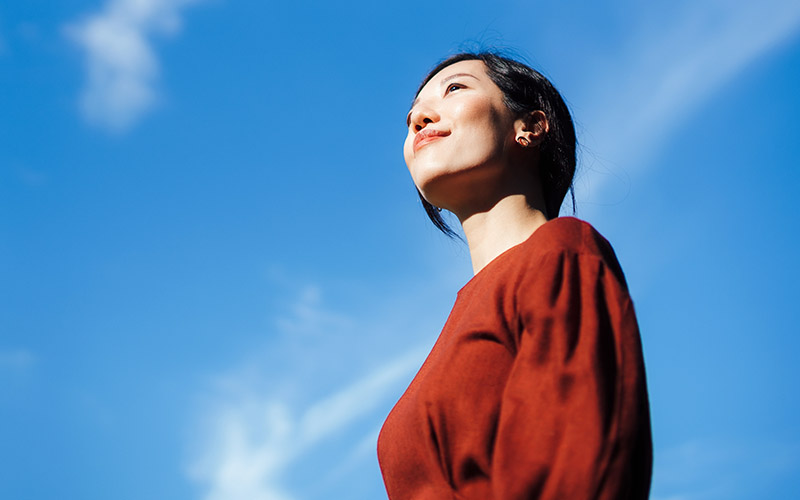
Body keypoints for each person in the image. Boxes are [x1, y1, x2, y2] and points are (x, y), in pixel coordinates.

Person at [377, 52, 653, 500]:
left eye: (455, 89)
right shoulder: (457, 324)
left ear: (531, 126)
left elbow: (578, 471)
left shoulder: (561, 254)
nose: (418, 118)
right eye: (411, 114)